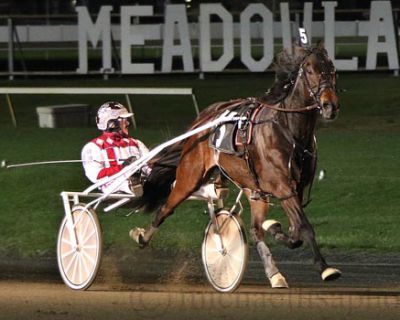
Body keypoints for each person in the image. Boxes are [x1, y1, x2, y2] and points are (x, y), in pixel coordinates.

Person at [81, 101, 151, 194]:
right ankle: (134, 184)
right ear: (112, 123)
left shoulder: (136, 143)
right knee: (127, 179)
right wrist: (123, 167)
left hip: (142, 181)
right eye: (124, 119)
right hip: (112, 184)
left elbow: (148, 167)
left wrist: (155, 167)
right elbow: (95, 176)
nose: (128, 123)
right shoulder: (93, 147)